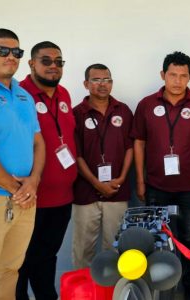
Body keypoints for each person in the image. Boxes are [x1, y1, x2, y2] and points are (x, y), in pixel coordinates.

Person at [131, 51, 190, 300]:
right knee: (158, 238)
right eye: (172, 75)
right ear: (162, 75)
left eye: (183, 75)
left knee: (189, 237)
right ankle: (162, 287)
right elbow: (139, 143)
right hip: (156, 185)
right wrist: (141, 180)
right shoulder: (146, 105)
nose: (178, 81)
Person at [15, 41, 77, 300]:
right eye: (46, 61)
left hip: (63, 197)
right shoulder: (19, 95)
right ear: (31, 63)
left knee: (47, 256)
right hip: (31, 199)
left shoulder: (64, 94)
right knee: (20, 263)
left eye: (59, 62)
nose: (54, 66)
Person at [0, 28, 45, 300]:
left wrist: (34, 180)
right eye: (2, 50)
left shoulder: (25, 96)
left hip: (24, 199)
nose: (10, 57)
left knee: (10, 270)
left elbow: (38, 143)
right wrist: (17, 188)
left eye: (16, 52)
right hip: (2, 197)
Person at [72, 64, 133, 268]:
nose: (102, 84)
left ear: (112, 83)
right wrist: (96, 183)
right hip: (85, 192)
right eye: (96, 80)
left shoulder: (123, 110)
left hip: (117, 189)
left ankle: (112, 293)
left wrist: (123, 177)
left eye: (106, 80)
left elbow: (130, 148)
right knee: (83, 249)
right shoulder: (77, 113)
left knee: (115, 247)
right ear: (86, 84)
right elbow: (76, 155)